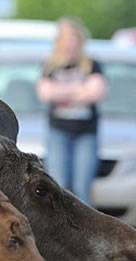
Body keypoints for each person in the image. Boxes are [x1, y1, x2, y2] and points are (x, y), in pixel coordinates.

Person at [36, 17, 106, 204]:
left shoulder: (92, 65)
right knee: (58, 186)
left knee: (82, 188)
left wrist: (61, 92)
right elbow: (45, 93)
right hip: (58, 131)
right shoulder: (50, 66)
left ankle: (85, 232)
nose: (70, 43)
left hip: (86, 133)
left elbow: (96, 92)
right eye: (66, 38)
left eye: (73, 38)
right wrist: (79, 90)